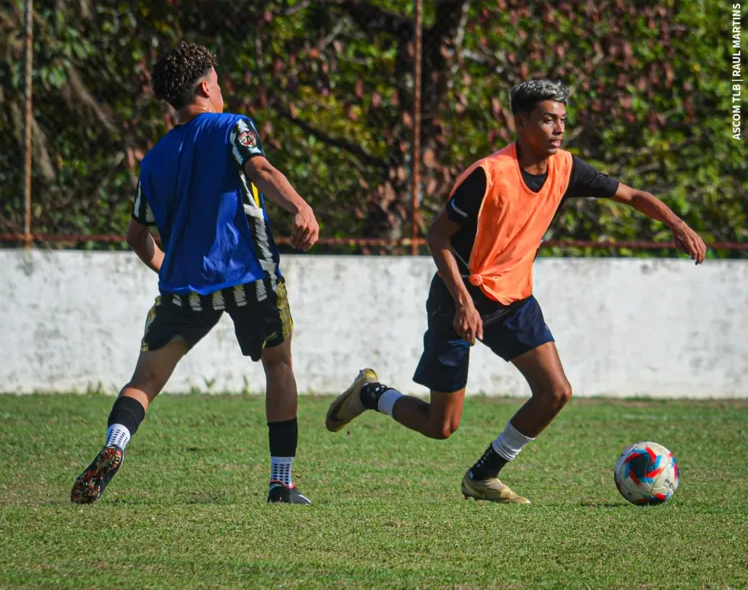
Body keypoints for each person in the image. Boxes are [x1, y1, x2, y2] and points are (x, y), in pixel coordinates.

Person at [325, 79, 706, 504]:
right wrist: (464, 302)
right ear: (520, 122)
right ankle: (370, 395)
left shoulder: (566, 168)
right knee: (441, 426)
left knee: (555, 392)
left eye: (562, 120)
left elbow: (632, 195)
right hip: (459, 298)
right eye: (547, 120)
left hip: (514, 299)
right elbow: (438, 237)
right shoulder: (488, 175)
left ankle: (483, 476)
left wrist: (678, 225)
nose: (558, 129)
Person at [71, 42, 319, 506]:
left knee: (145, 380)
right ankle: (280, 482)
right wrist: (300, 206)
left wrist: (171, 266)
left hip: (185, 287)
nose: (221, 90)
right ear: (206, 87)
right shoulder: (232, 127)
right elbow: (260, 169)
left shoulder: (155, 159)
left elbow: (137, 237)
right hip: (248, 277)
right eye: (218, 82)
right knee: (278, 366)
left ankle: (115, 444)